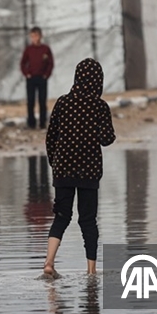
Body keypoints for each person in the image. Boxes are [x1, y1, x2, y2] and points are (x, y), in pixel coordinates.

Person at [43, 58, 116, 276]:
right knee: (88, 220)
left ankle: (48, 263)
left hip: (63, 168)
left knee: (61, 216)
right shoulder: (100, 107)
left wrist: (54, 163)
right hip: (89, 171)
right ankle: (91, 270)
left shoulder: (62, 103)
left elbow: (50, 137)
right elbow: (107, 139)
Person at [20, 26, 54, 129]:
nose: (34, 38)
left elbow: (50, 63)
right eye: (32, 36)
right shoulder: (29, 49)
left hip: (42, 78)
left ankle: (42, 122)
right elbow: (23, 63)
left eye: (36, 36)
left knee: (42, 101)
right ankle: (31, 122)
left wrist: (46, 75)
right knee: (30, 101)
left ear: (40, 36)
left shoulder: (45, 49)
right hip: (31, 78)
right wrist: (27, 74)